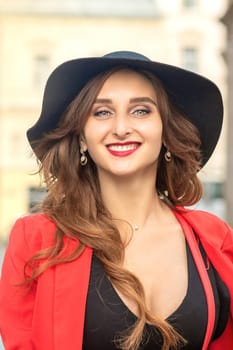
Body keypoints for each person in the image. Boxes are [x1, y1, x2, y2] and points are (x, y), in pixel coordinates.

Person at [0, 51, 232, 350]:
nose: (121, 128)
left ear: (166, 131)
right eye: (102, 112)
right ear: (82, 137)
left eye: (141, 111)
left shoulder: (214, 239)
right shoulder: (36, 240)